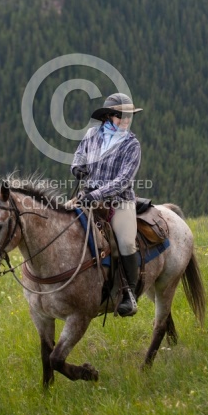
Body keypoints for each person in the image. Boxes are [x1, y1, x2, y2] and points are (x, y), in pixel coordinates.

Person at [71, 92, 142, 317]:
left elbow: (123, 181)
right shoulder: (92, 134)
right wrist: (77, 168)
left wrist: (97, 195)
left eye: (129, 116)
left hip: (119, 203)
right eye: (121, 115)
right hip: (87, 196)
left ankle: (129, 294)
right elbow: (79, 155)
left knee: (127, 243)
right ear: (108, 117)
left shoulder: (132, 144)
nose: (126, 120)